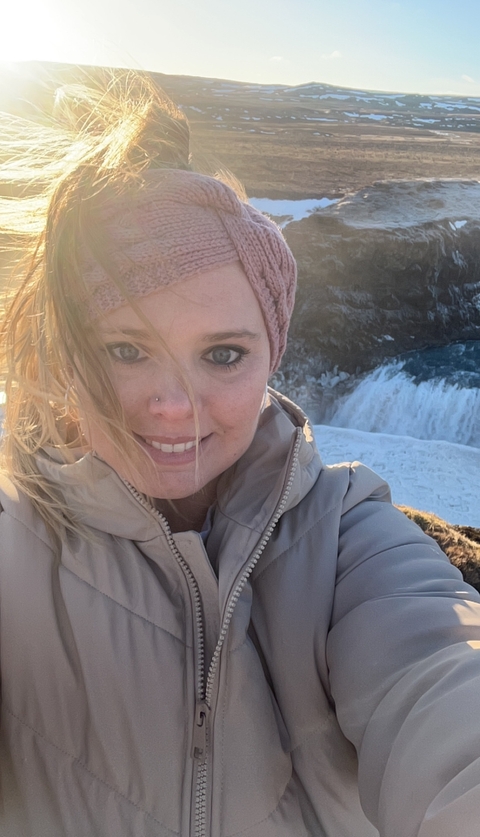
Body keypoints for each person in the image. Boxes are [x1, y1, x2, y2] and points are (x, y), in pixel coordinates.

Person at [0, 71, 480, 837]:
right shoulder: (14, 543)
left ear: (272, 356)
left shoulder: (348, 535)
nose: (172, 405)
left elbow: (438, 671)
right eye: (127, 349)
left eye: (222, 355)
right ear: (67, 353)